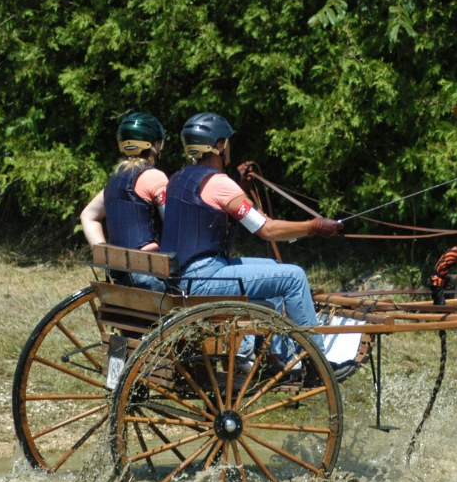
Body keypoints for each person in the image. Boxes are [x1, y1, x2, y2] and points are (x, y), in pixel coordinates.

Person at [160, 111, 340, 336]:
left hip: (182, 277)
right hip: (205, 278)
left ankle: (274, 351)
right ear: (219, 146)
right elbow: (268, 229)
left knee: (273, 268)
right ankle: (316, 352)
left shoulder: (177, 179)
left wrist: (238, 182)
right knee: (294, 277)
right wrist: (314, 227)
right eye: (228, 142)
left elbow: (208, 204)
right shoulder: (220, 184)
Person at [79, 112, 170, 292]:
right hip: (151, 274)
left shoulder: (114, 180)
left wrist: (106, 255)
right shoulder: (154, 176)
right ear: (154, 145)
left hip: (121, 275)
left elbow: (88, 215)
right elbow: (174, 223)